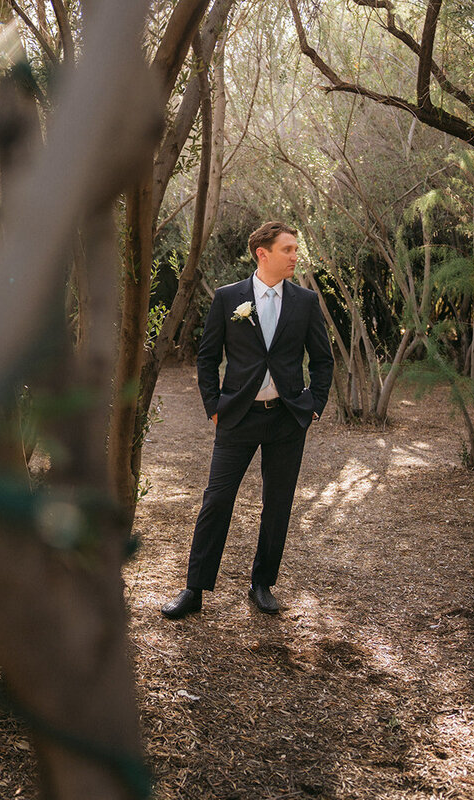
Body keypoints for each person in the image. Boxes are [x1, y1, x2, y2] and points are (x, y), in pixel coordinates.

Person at [162, 221, 333, 619]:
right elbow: (206, 357)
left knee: (278, 504)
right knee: (217, 499)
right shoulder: (228, 298)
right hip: (237, 417)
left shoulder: (305, 302)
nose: (295, 256)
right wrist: (215, 405)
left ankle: (262, 584)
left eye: (295, 249)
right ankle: (195, 589)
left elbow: (323, 360)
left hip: (288, 420)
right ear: (264, 253)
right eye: (288, 249)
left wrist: (314, 404)